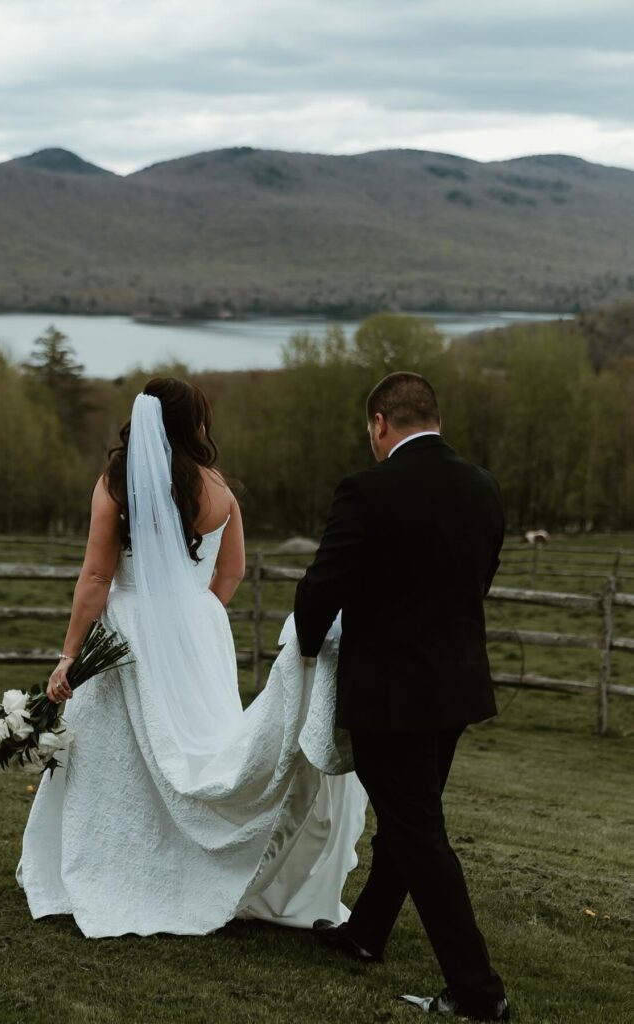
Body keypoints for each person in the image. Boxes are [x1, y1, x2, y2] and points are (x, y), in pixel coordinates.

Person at [16, 377, 366, 938]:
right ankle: (196, 858)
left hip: (126, 632)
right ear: (193, 422)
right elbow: (232, 572)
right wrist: (190, 618)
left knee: (119, 759)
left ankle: (117, 862)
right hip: (200, 632)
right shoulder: (219, 489)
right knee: (198, 742)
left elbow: (99, 575)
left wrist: (69, 655)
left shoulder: (115, 483)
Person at [296, 371, 509, 1022]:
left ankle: (477, 993)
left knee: (416, 829)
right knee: (408, 817)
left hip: (391, 692)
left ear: (380, 424)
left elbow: (321, 586)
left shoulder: (367, 490)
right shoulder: (483, 488)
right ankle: (365, 933)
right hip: (456, 683)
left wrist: (304, 647)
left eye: (370, 430)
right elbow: (479, 580)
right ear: (434, 418)